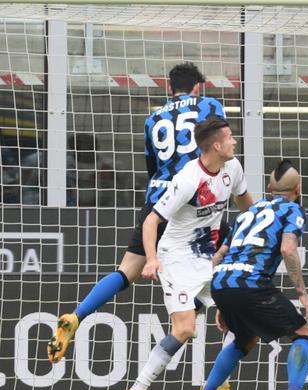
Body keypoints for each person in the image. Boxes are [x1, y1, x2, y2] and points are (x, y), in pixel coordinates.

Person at [48, 62, 229, 360]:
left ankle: (77, 316)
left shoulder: (153, 118)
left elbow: (152, 166)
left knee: (126, 270)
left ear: (170, 88)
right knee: (218, 268)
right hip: (197, 201)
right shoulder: (210, 105)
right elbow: (220, 147)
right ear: (199, 86)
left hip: (159, 200)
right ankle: (209, 354)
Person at [121, 116, 254, 390]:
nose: (234, 141)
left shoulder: (232, 167)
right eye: (230, 137)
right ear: (216, 145)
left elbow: (247, 205)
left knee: (240, 316)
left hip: (207, 258)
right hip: (176, 258)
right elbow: (152, 221)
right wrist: (152, 259)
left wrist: (259, 227)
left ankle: (219, 386)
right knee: (184, 328)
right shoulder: (188, 179)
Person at [190, 159, 308, 390]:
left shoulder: (247, 213)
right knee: (303, 333)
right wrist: (302, 293)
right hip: (251, 282)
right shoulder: (293, 210)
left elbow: (220, 255)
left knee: (245, 338)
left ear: (268, 186)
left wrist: (221, 299)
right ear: (298, 188)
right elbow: (288, 249)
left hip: (222, 281)